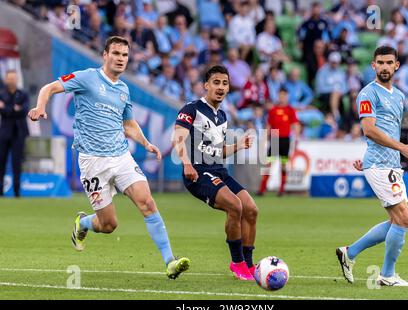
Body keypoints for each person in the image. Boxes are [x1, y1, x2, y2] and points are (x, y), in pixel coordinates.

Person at [27, 36, 190, 279]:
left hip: (121, 156)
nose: (120, 59)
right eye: (116, 53)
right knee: (109, 225)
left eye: (124, 55)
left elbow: (129, 124)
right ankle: (82, 224)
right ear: (105, 55)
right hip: (92, 162)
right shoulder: (87, 77)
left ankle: (170, 261)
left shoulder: (123, 90)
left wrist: (146, 143)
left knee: (147, 202)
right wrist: (41, 107)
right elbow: (48, 88)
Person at [336, 46, 408, 287]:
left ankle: (349, 253)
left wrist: (375, 156)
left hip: (390, 165)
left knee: (399, 220)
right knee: (404, 218)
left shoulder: (399, 95)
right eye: (380, 63)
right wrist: (403, 147)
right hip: (380, 165)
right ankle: (386, 275)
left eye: (389, 63)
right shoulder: (368, 94)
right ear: (373, 66)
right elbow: (370, 130)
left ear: (396, 66)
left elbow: (386, 130)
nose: (384, 67)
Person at [172, 65, 258, 281]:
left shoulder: (222, 116)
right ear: (206, 86)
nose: (220, 87)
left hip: (218, 169)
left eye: (225, 83)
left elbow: (217, 152)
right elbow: (178, 137)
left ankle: (248, 265)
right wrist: (186, 163)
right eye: (216, 82)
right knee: (235, 206)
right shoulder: (192, 109)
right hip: (198, 172)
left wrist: (238, 145)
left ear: (229, 88)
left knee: (251, 209)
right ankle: (237, 263)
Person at [258, 87, 301, 196]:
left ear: (287, 96)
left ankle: (282, 189)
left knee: (283, 164)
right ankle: (262, 189)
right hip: (275, 140)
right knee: (269, 164)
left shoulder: (290, 110)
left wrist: (296, 138)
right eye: (280, 95)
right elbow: (268, 125)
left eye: (284, 95)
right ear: (278, 96)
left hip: (285, 140)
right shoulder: (273, 110)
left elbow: (295, 125)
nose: (282, 97)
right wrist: (265, 138)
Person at [0, 70, 30, 198]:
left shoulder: (23, 94)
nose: (11, 80)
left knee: (17, 163)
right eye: (9, 78)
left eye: (13, 78)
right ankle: (0, 191)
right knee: (1, 162)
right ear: (6, 80)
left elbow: (24, 110)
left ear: (16, 79)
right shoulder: (2, 94)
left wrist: (7, 108)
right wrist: (13, 109)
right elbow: (4, 112)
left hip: (19, 133)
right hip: (4, 133)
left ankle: (17, 192)